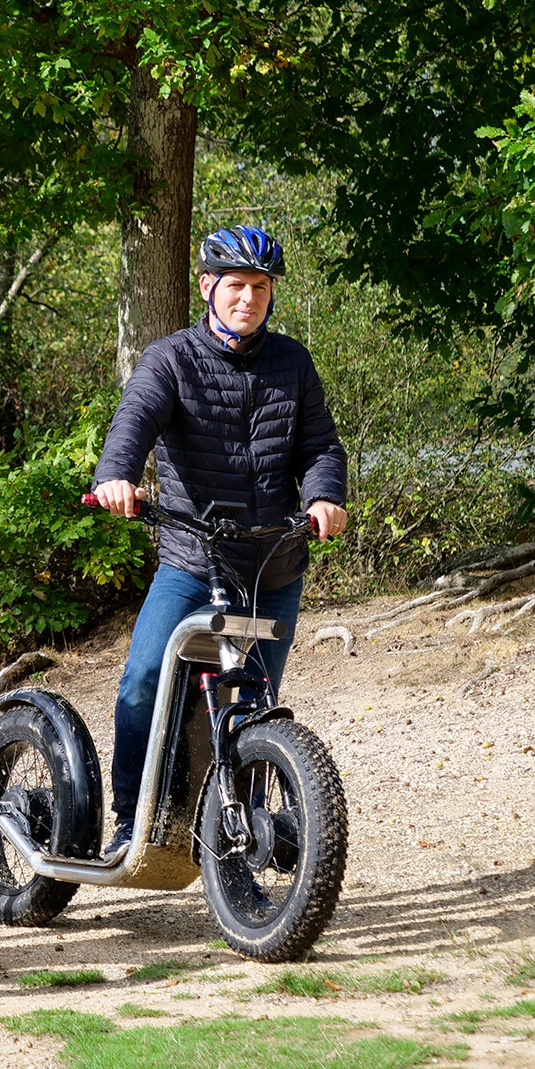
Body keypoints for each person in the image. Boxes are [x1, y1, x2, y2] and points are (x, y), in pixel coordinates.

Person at [91, 225, 348, 858]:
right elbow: (136, 418)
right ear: (208, 286)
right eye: (235, 285)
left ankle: (248, 829)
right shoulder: (171, 358)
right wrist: (117, 476)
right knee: (145, 679)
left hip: (273, 562)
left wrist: (324, 495)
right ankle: (133, 818)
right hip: (192, 559)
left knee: (258, 700)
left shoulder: (293, 362)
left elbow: (319, 445)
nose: (248, 298)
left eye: (260, 287)